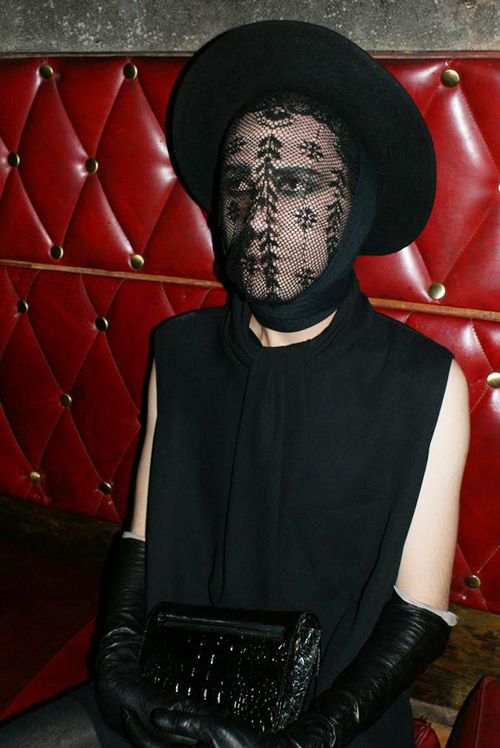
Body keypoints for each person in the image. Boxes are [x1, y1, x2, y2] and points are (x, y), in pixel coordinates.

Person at [0, 19, 470, 748]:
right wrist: (119, 675)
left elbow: (418, 614)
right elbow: (142, 541)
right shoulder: (181, 352)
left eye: (296, 183)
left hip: (333, 713)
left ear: (356, 201)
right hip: (174, 679)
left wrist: (314, 734)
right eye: (241, 184)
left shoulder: (421, 383)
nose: (261, 215)